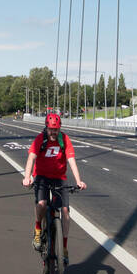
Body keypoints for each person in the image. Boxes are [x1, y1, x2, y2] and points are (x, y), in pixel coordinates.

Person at [22, 111, 86, 265]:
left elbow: (71, 161)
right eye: (51, 129)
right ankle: (38, 231)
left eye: (56, 129)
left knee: (65, 211)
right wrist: (27, 177)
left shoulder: (64, 140)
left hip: (59, 178)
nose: (53, 132)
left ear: (60, 128)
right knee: (42, 204)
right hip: (42, 177)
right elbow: (31, 158)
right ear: (46, 128)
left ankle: (63, 247)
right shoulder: (40, 139)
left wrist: (79, 181)